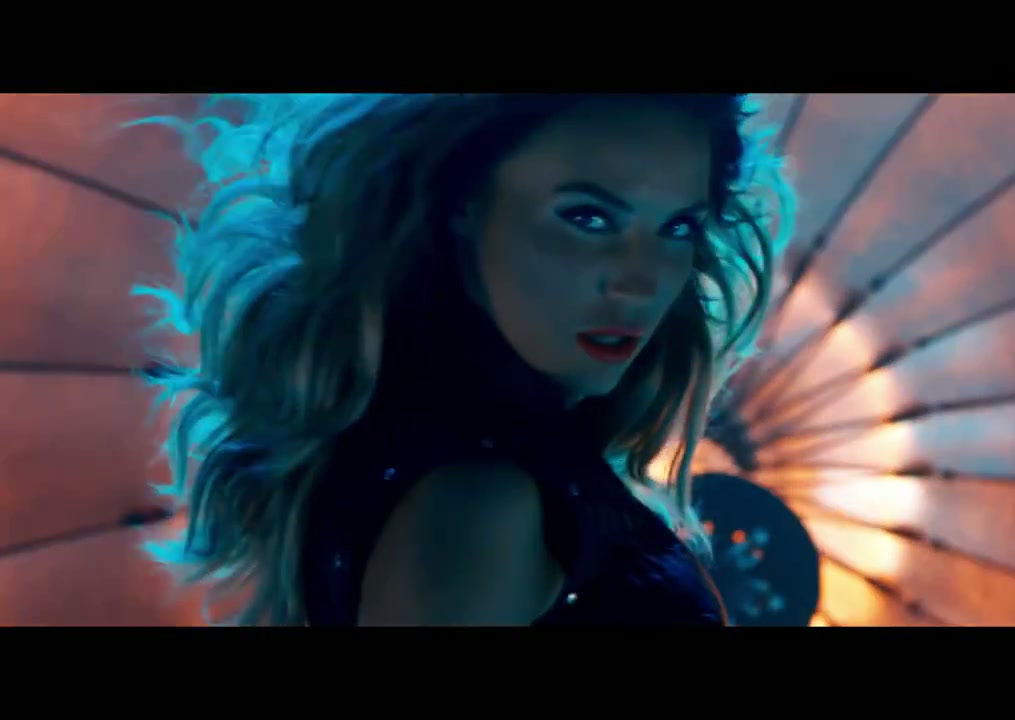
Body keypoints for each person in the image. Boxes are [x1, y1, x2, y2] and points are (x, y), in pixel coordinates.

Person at [134, 93, 793, 626]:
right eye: (588, 218)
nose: (641, 280)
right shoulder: (480, 505)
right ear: (465, 203)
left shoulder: (460, 454)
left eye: (677, 227)